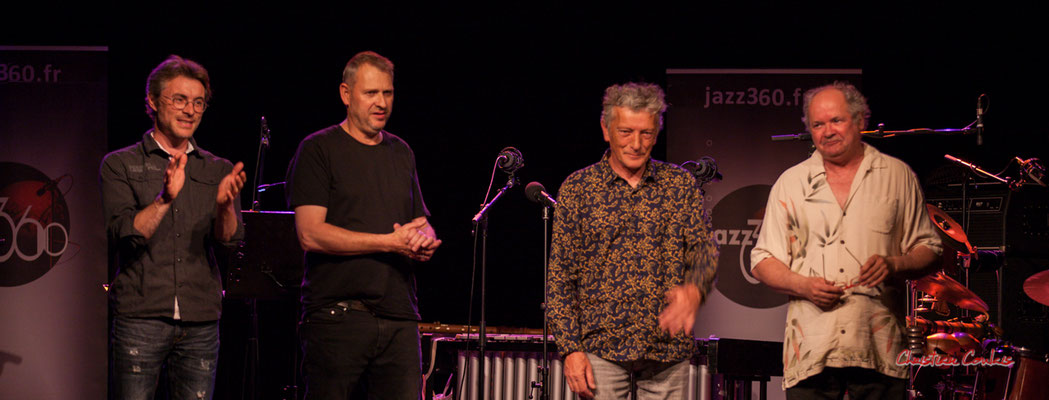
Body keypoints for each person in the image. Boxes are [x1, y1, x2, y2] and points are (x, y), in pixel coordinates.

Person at [750, 82, 942, 399]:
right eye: (817, 124)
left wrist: (895, 263)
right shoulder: (791, 182)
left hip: (878, 348)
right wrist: (804, 285)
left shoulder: (897, 175)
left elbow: (931, 251)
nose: (827, 131)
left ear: (859, 121)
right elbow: (762, 260)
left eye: (836, 120)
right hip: (811, 350)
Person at [547, 82, 719, 399]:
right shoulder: (578, 188)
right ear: (606, 129)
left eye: (647, 134)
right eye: (626, 132)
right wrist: (570, 349)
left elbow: (705, 251)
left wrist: (694, 289)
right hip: (601, 350)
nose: (637, 144)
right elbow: (560, 276)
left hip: (666, 351)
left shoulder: (680, 185)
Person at [286, 50, 441, 399]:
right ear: (345, 94)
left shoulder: (401, 152)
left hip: (400, 317)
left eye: (387, 93)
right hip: (338, 317)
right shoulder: (318, 148)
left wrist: (424, 239)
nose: (381, 102)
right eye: (371, 93)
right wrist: (390, 242)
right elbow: (310, 233)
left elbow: (420, 221)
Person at [100, 54, 246, 400]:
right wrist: (165, 198)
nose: (190, 111)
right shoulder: (121, 163)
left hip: (200, 320)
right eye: (179, 100)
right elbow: (124, 235)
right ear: (152, 101)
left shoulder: (217, 169)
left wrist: (225, 207)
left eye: (198, 103)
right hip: (141, 316)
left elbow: (229, 244)